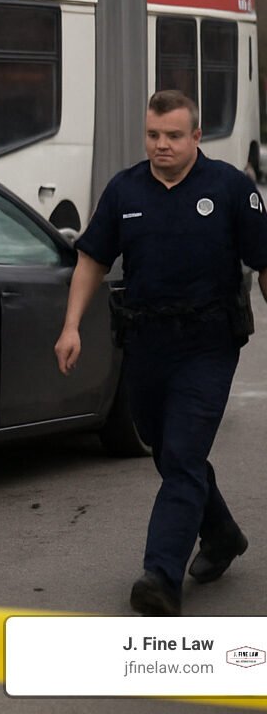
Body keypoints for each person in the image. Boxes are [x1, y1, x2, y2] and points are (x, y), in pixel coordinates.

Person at [54, 89, 267, 617]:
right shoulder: (125, 190)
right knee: (168, 450)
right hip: (146, 344)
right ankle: (221, 535)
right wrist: (71, 326)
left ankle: (161, 575)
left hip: (209, 344)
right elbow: (91, 260)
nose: (161, 146)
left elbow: (265, 264)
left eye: (173, 136)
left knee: (184, 454)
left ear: (196, 136)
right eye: (153, 135)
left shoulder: (231, 189)